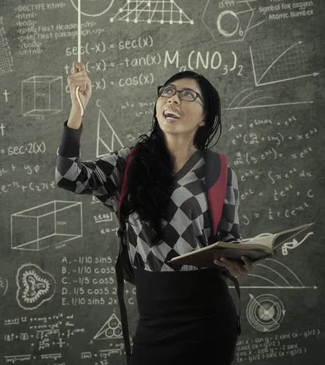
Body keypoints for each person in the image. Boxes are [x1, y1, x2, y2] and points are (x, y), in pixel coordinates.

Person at [56, 62, 255, 365]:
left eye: (188, 95)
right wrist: (77, 111)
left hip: (210, 320)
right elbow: (68, 176)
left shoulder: (220, 171)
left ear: (205, 117)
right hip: (153, 322)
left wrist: (238, 262)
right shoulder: (130, 162)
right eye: (168, 92)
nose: (173, 99)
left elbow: (228, 240)